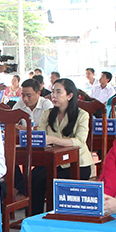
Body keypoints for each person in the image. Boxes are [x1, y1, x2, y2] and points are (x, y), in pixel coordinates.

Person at [30, 78, 92, 214]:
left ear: (70, 96)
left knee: (51, 182)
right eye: (52, 92)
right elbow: (41, 136)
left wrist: (53, 139)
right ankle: (36, 219)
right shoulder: (47, 114)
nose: (54, 96)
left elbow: (80, 141)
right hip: (53, 161)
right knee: (33, 178)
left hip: (77, 164)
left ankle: (58, 218)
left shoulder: (82, 115)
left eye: (59, 92)